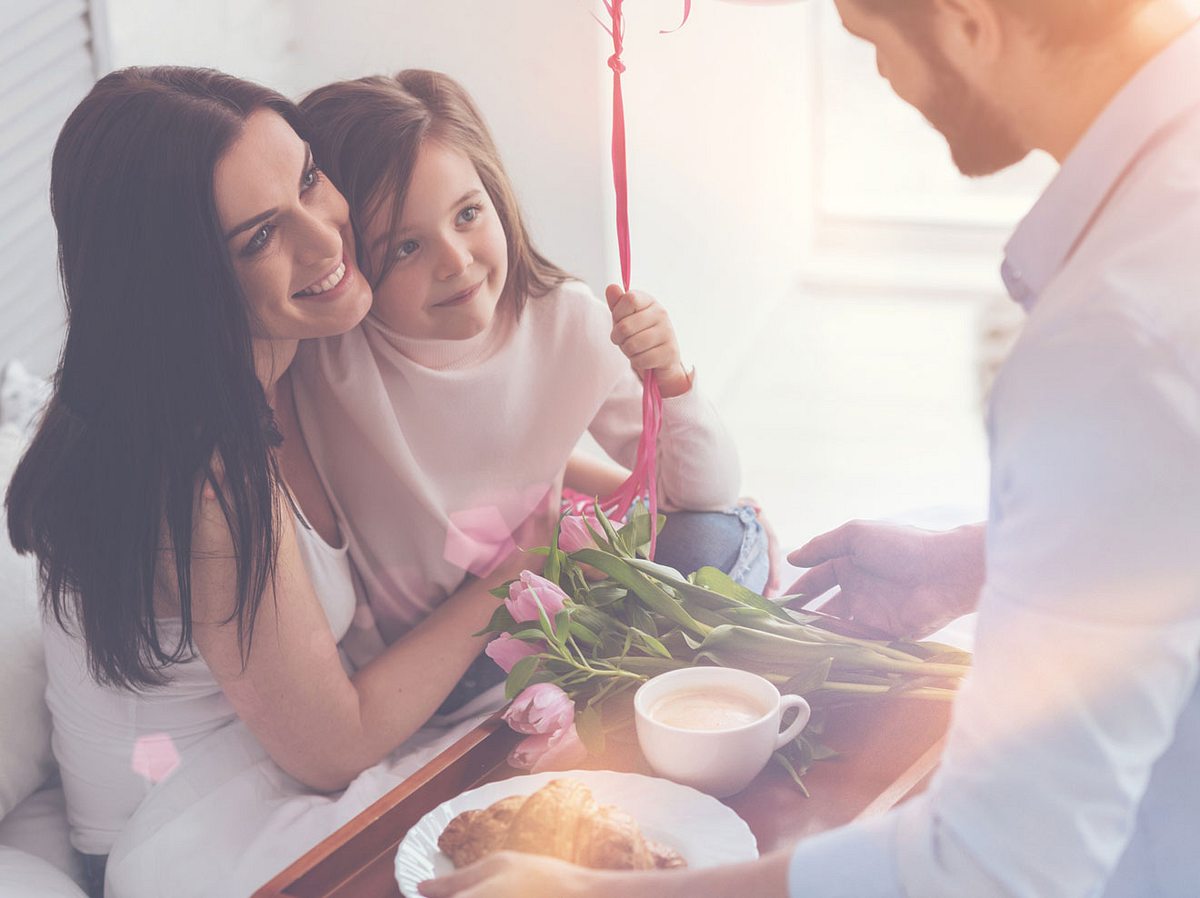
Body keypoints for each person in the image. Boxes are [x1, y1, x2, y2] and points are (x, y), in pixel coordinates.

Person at [420, 0, 1200, 895]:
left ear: (968, 22)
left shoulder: (1110, 341)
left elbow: (987, 868)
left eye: (872, 44)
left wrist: (586, 891)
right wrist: (981, 561)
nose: (881, 79)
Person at [4, 66, 555, 898]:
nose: (327, 237)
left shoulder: (292, 353)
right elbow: (333, 741)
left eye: (308, 178)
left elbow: (476, 430)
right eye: (260, 237)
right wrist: (524, 564)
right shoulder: (196, 470)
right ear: (182, 281)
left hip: (278, 781)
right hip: (194, 831)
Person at [290, 70, 763, 708]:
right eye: (405, 246)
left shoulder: (566, 321)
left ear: (496, 194)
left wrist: (672, 380)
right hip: (436, 664)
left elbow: (700, 493)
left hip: (544, 600)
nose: (455, 260)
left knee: (721, 536)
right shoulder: (333, 356)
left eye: (467, 214)